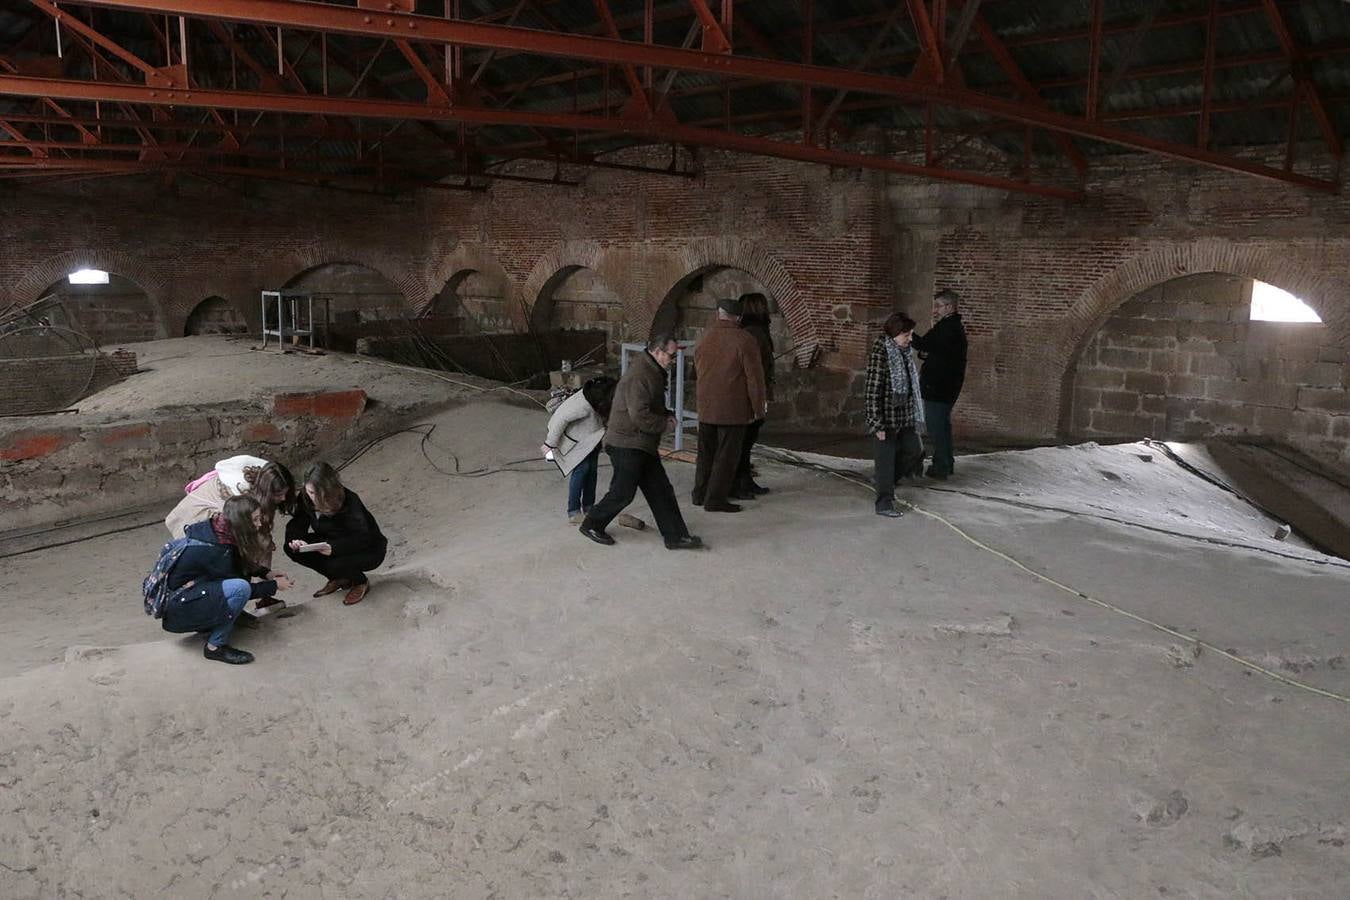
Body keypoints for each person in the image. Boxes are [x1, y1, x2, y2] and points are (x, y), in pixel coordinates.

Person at [579, 334, 703, 550]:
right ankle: (592, 524)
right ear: (657, 352)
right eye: (671, 356)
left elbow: (652, 403)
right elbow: (640, 415)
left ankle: (675, 536)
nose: (673, 360)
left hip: (641, 443)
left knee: (660, 490)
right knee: (623, 493)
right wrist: (664, 425)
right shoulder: (640, 375)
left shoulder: (652, 371)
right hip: (626, 443)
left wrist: (666, 413)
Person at [159, 494, 294, 665]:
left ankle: (231, 617)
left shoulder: (220, 531)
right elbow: (242, 587)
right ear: (241, 522)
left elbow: (238, 562)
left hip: (190, 596)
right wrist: (274, 585)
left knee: (237, 581)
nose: (259, 524)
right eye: (255, 520)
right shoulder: (215, 549)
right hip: (180, 612)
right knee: (240, 588)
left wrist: (266, 573)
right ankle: (215, 646)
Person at [691, 298, 768, 513]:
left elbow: (696, 371)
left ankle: (700, 493)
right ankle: (715, 499)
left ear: (718, 314)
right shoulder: (744, 340)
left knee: (705, 453)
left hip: (706, 406)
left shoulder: (703, 337)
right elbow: (754, 379)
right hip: (733, 409)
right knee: (726, 456)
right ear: (739, 317)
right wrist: (758, 408)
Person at [540, 376, 644, 531]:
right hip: (577, 445)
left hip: (591, 443)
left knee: (592, 472)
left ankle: (589, 507)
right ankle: (573, 512)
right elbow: (559, 418)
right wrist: (550, 443)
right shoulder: (583, 405)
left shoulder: (606, 397)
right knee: (581, 471)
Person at [284, 461, 388, 606]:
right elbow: (297, 523)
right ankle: (339, 578)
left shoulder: (350, 501)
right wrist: (296, 540)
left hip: (367, 549)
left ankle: (360, 582)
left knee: (336, 563)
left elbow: (364, 537)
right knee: (293, 550)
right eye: (311, 492)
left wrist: (334, 547)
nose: (314, 498)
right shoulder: (306, 497)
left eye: (318, 493)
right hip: (330, 540)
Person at [864, 312, 926, 518]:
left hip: (906, 414)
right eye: (906, 335)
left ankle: (888, 480)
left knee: (914, 450)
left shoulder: (905, 352)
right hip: (886, 417)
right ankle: (884, 503)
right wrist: (876, 424)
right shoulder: (881, 351)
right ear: (895, 333)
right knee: (885, 460)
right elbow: (873, 390)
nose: (910, 339)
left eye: (910, 335)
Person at [165, 454, 296, 541]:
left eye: (286, 493)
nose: (284, 498)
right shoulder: (240, 495)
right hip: (198, 513)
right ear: (265, 492)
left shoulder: (272, 475)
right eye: (279, 495)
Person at [911, 289, 968, 480]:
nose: (936, 310)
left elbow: (925, 345)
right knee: (942, 426)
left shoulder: (948, 328)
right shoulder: (950, 327)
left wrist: (906, 332)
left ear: (949, 307)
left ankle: (941, 466)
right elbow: (933, 350)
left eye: (938, 306)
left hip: (939, 387)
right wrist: (926, 352)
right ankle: (946, 463)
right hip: (946, 385)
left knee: (936, 427)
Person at [733, 294, 774, 498]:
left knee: (747, 442)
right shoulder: (753, 334)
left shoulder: (753, 332)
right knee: (744, 441)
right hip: (750, 396)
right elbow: (754, 370)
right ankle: (740, 482)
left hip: (755, 393)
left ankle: (745, 480)